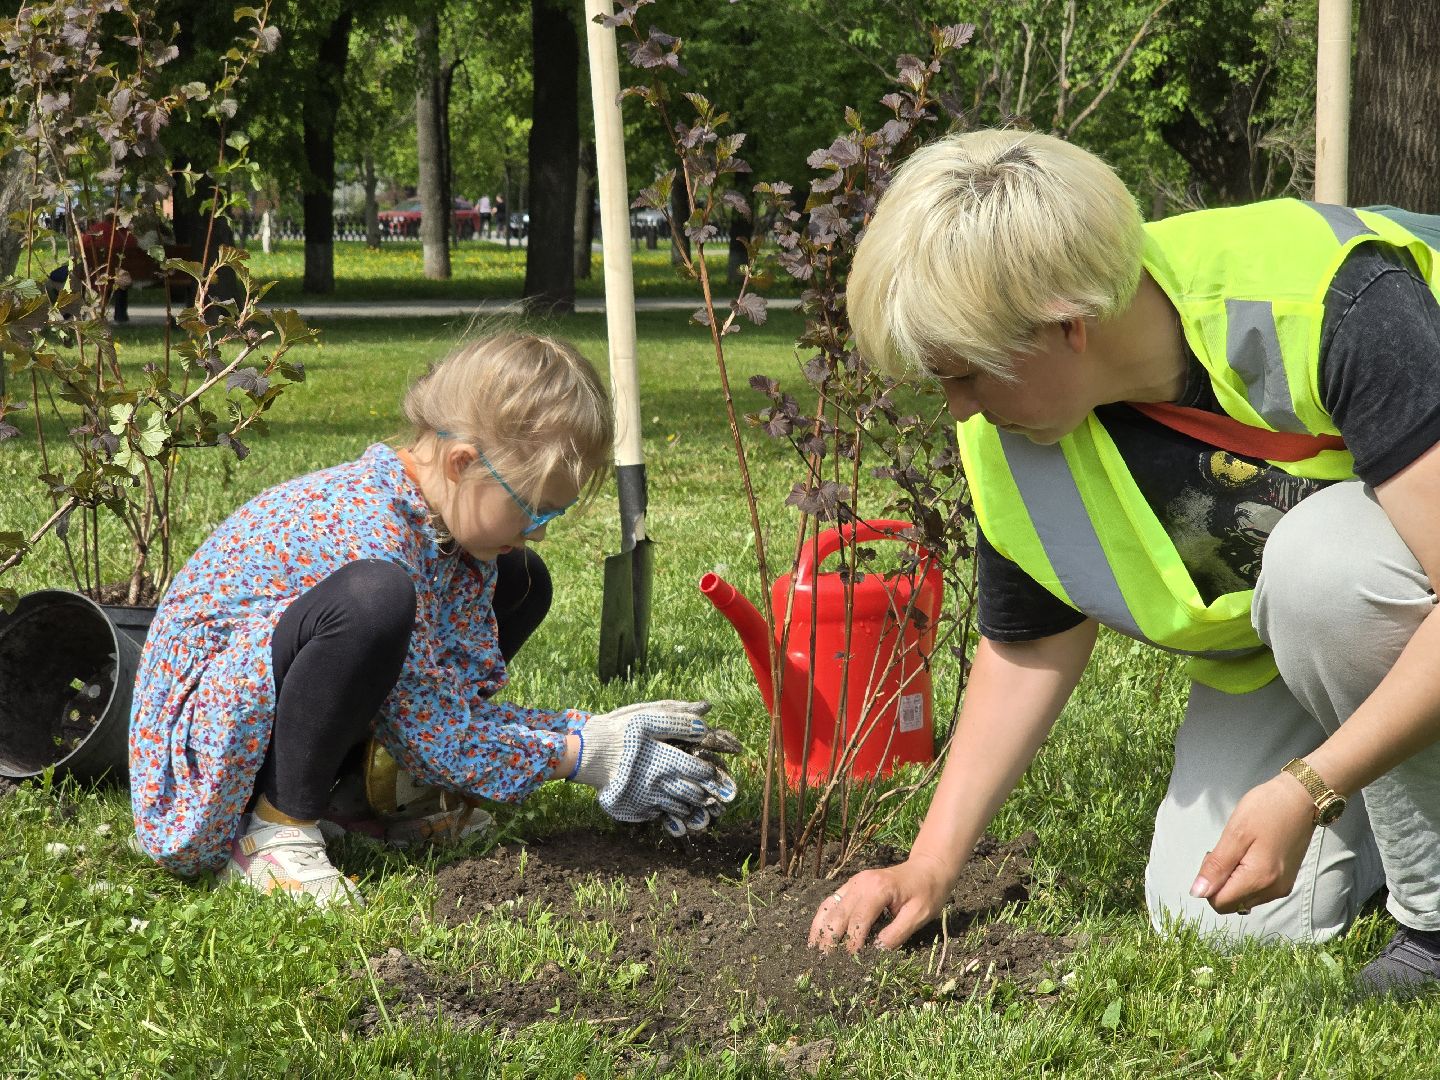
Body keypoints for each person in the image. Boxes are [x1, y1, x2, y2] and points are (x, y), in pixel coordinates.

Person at [808, 129, 1440, 996]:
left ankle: (1433, 923)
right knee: (1217, 916)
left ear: (1067, 323)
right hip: (1315, 645)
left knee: (1324, 570)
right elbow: (1031, 643)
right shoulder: (1014, 433)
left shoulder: (1337, 301)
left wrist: (1307, 785)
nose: (957, 408)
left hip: (1355, 597)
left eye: (967, 374)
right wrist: (930, 864)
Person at [129, 332, 737, 907]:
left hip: (273, 707)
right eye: (533, 509)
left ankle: (361, 800)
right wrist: (585, 755)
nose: (539, 530)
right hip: (205, 752)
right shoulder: (371, 532)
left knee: (522, 579)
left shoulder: (436, 522)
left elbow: (447, 706)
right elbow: (437, 732)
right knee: (375, 602)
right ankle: (275, 827)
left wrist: (586, 728)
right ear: (462, 463)